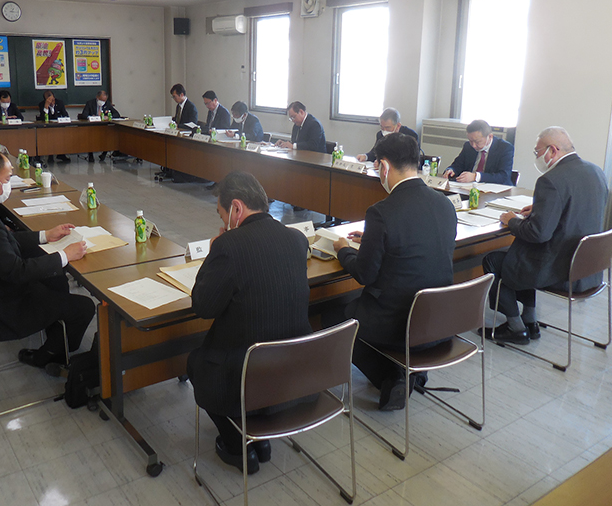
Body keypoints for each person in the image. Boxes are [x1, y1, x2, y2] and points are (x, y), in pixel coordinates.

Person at [187, 171, 312, 474]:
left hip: (246, 376)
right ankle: (261, 436)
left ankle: (237, 444)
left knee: (196, 362)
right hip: (293, 371)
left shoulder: (228, 246)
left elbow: (202, 305)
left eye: (222, 213)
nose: (223, 220)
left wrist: (213, 252)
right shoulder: (296, 239)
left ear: (236, 208)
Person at [331, 133, 457, 410]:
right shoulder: (444, 204)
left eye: (378, 166)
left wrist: (343, 250)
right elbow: (418, 242)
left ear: (385, 166)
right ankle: (411, 370)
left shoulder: (382, 212)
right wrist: (373, 240)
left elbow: (364, 274)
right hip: (438, 319)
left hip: (398, 322)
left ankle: (392, 377)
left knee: (333, 316)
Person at [0, 148, 95, 367]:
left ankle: (55, 330)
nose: (7, 185)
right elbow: (15, 271)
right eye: (6, 179)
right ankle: (48, 355)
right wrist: (65, 255)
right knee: (84, 307)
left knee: (54, 277)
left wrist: (45, 235)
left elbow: (1, 241)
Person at [481, 127, 608, 344]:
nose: (537, 157)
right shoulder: (595, 171)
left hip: (558, 268)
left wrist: (511, 220)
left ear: (552, 150)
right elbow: (580, 209)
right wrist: (541, 209)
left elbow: (537, 233)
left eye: (537, 152)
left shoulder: (551, 180)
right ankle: (530, 320)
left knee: (495, 259)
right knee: (520, 253)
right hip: (587, 267)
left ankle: (515, 328)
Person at [442, 119, 514, 185]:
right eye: (471, 141)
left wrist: (475, 176)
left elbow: (503, 176)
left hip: (495, 190)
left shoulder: (505, 148)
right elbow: (457, 165)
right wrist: (451, 170)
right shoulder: (468, 146)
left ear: (490, 137)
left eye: (477, 142)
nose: (473, 145)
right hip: (468, 187)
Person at [79, 90, 121, 162]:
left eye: (104, 100)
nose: (103, 102)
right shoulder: (90, 103)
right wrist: (90, 117)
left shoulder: (107, 104)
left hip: (104, 126)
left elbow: (117, 114)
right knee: (90, 137)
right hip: (92, 126)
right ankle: (90, 155)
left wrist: (108, 117)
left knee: (109, 137)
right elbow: (84, 115)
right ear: (97, 97)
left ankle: (104, 154)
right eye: (101, 100)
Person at [37, 91, 70, 162]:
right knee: (48, 135)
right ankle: (50, 154)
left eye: (53, 100)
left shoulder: (59, 103)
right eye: (49, 101)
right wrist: (46, 106)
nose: (52, 102)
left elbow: (65, 115)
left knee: (62, 134)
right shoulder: (42, 104)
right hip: (46, 128)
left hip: (58, 127)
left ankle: (61, 154)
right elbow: (43, 118)